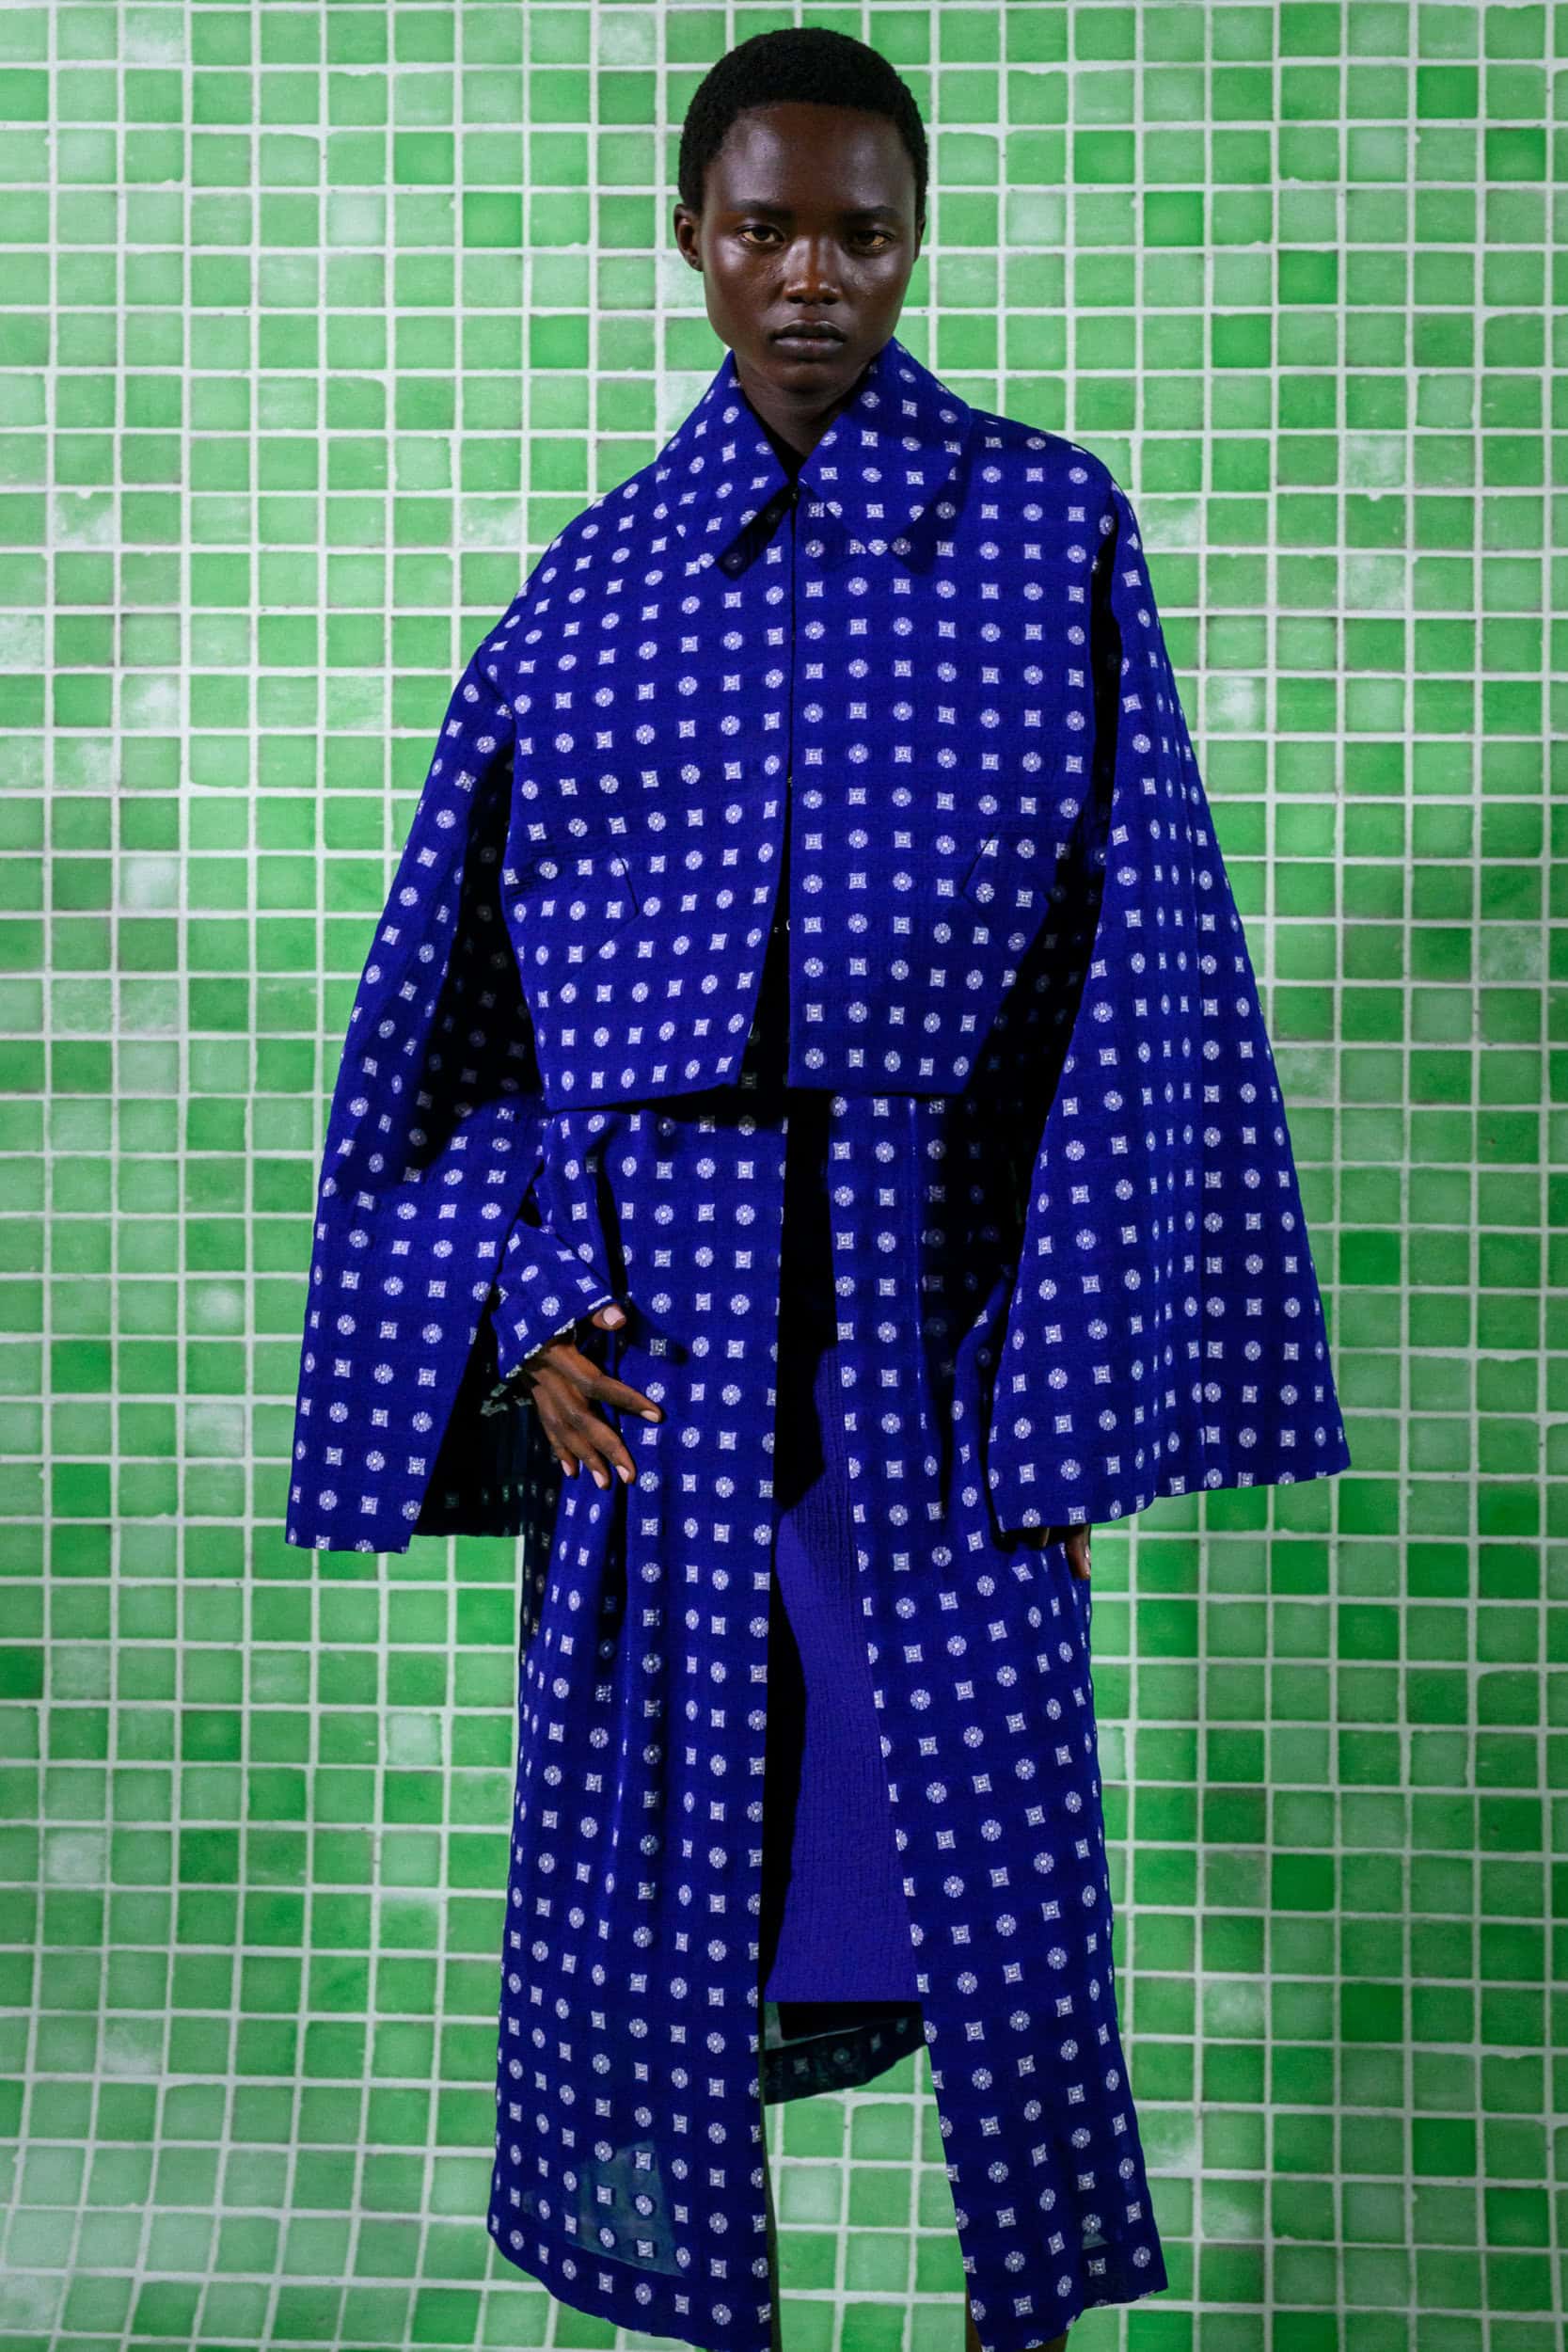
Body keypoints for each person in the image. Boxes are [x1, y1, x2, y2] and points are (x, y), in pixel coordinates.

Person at [288, 27, 1350, 2352]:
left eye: (860, 234)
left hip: (936, 1335)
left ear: (915, 242)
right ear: (688, 235)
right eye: (761, 227)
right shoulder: (588, 591)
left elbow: (1145, 977)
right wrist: (528, 1310)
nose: (808, 278)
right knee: (662, 1898)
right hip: (658, 1366)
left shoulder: (1047, 530)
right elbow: (458, 1035)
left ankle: (1026, 2298)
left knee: (987, 1873)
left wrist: (1067, 1399)